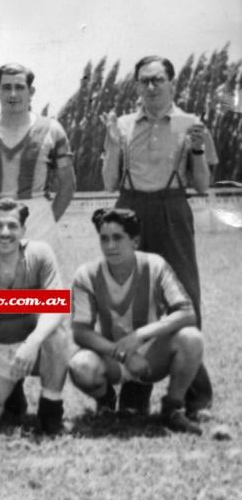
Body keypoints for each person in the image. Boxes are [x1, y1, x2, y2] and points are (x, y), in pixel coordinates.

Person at [101, 55, 216, 416]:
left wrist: (197, 149)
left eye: (158, 80)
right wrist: (113, 146)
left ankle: (196, 395)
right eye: (144, 81)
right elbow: (107, 183)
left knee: (183, 296)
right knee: (130, 298)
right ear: (136, 86)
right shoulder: (120, 125)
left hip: (171, 209)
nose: (151, 87)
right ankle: (135, 396)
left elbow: (201, 185)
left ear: (172, 83)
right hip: (129, 209)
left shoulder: (192, 123)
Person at [67, 208, 204, 434]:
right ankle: (107, 400)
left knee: (191, 338)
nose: (110, 246)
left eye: (118, 238)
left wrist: (140, 335)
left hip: (151, 356)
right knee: (80, 367)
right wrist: (122, 354)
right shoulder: (86, 274)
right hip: (112, 354)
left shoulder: (155, 265)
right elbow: (80, 332)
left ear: (135, 241)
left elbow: (187, 313)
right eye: (104, 239)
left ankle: (172, 408)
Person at [0, 198, 70, 435]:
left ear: (23, 230)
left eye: (12, 226)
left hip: (33, 347)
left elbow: (57, 305)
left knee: (56, 335)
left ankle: (51, 411)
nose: (4, 233)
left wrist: (33, 341)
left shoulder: (40, 253)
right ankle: (12, 391)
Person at [0, 63, 76, 245]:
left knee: (37, 272)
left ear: (31, 91)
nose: (13, 94)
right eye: (6, 87)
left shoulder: (51, 129)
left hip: (37, 217)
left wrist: (48, 219)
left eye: (19, 87)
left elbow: (68, 185)